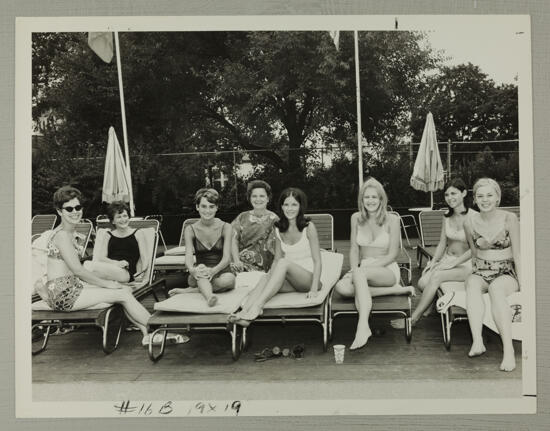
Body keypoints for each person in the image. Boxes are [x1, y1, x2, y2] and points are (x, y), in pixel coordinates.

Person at [35, 186, 176, 346]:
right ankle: (157, 330)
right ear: (60, 211)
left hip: (70, 289)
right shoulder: (62, 235)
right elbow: (78, 270)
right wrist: (107, 284)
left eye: (78, 207)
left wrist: (110, 285)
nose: (75, 212)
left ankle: (147, 334)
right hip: (64, 295)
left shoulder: (69, 234)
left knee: (122, 291)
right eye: (69, 209)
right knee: (121, 293)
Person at [334, 177, 414, 350]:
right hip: (363, 269)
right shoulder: (356, 218)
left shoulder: (392, 219)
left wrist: (360, 270)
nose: (370, 201)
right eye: (366, 197)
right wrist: (354, 269)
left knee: (358, 276)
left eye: (374, 197)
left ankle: (363, 326)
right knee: (341, 288)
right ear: (361, 200)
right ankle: (395, 291)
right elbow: (354, 250)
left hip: (385, 269)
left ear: (381, 199)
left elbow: (394, 254)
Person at [228, 187, 323, 327]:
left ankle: (257, 307)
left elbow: (318, 260)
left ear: (300, 206)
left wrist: (314, 289)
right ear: (281, 206)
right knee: (265, 277)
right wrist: (269, 277)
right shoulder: (279, 228)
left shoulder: (309, 227)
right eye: (286, 204)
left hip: (307, 279)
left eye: (294, 204)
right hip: (289, 279)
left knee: (284, 263)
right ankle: (245, 312)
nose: (289, 208)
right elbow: (277, 259)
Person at [391, 178, 475, 329]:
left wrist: (452, 264)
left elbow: (475, 249)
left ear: (463, 193)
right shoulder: (446, 217)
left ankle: (413, 319)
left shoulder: (473, 217)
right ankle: (432, 304)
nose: (450, 198)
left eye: (454, 193)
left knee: (436, 277)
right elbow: (442, 242)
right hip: (448, 259)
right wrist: (434, 261)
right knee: (422, 282)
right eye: (447, 194)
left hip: (466, 263)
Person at [463, 178, 520, 372]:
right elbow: (473, 253)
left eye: (489, 195)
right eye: (480, 196)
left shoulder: (509, 218)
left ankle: (509, 351)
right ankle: (478, 341)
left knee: (495, 289)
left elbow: (517, 254)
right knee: (471, 283)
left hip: (505, 272)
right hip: (481, 270)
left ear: (497, 197)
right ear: (475, 199)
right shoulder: (469, 222)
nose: (485, 200)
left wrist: (524, 283)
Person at [169, 188, 235, 306]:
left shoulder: (226, 227)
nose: (207, 211)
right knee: (201, 269)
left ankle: (192, 291)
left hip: (222, 271)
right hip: (200, 273)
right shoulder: (190, 229)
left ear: (216, 207)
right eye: (203, 206)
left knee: (228, 281)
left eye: (211, 206)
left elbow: (227, 259)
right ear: (197, 207)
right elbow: (188, 257)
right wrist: (192, 270)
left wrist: (213, 271)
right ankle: (210, 297)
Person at [85, 201, 150, 283]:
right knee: (87, 265)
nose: (123, 219)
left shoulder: (138, 233)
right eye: (119, 217)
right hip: (110, 268)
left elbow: (145, 258)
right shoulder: (108, 235)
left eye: (125, 216)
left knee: (88, 266)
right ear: (113, 221)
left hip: (126, 273)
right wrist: (116, 263)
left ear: (129, 217)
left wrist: (145, 278)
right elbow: (101, 258)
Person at [230, 180, 278, 273]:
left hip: (264, 266)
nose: (258, 199)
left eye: (262, 196)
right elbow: (233, 239)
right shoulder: (242, 217)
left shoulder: (274, 219)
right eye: (254, 196)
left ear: (268, 198)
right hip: (239, 262)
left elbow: (275, 248)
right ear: (250, 198)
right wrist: (236, 261)